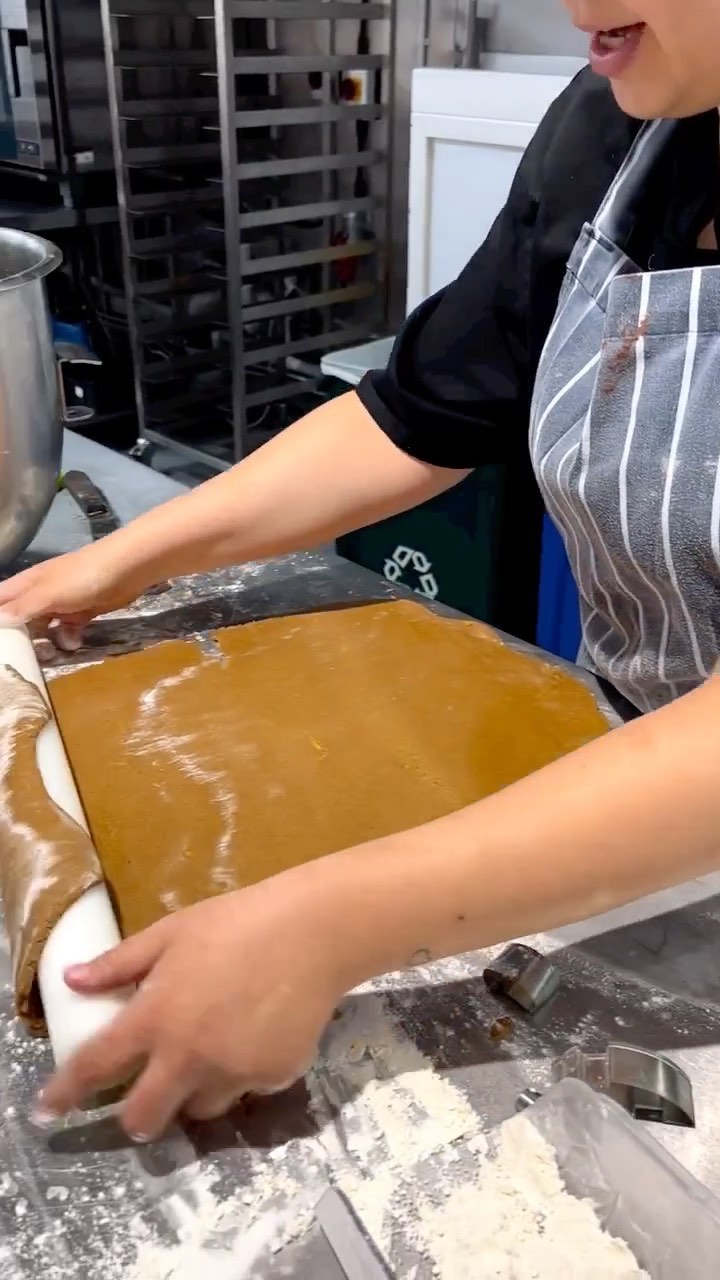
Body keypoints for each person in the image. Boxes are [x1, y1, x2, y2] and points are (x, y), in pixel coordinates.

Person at [10, 0, 720, 1141]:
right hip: (620, 793)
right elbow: (416, 415)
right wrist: (118, 560)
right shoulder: (619, 129)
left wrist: (332, 919)